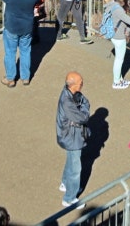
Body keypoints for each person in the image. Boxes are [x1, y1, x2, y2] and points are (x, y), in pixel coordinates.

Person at [0, 0, 39, 86]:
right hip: (27, 27)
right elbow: (38, 0)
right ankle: (25, 77)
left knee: (10, 52)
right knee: (25, 51)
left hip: (11, 27)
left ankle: (10, 78)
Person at [56, 71, 91, 210]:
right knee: (76, 168)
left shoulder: (70, 93)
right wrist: (84, 109)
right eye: (80, 82)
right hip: (71, 136)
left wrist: (84, 108)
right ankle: (69, 198)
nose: (82, 83)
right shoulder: (67, 101)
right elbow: (83, 117)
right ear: (72, 85)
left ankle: (65, 183)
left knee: (71, 160)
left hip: (71, 134)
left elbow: (85, 102)